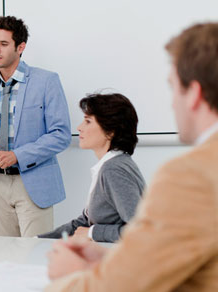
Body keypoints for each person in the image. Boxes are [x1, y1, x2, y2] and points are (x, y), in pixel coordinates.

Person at [46, 22, 218, 291]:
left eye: (173, 88)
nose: (172, 103)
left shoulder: (191, 175)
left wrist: (69, 276)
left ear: (194, 93)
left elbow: (126, 284)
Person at [0, 16, 71, 237]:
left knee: (36, 257)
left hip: (33, 182)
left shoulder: (47, 81)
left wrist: (18, 155)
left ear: (21, 47)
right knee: (0, 261)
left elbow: (61, 134)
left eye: (3, 44)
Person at [39, 93, 145, 243]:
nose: (79, 128)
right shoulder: (110, 165)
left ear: (110, 132)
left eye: (88, 121)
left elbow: (140, 231)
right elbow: (82, 223)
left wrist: (92, 232)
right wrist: (36, 241)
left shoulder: (114, 170)